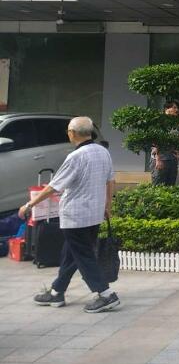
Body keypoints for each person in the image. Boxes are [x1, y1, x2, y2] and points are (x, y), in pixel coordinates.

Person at [18, 117, 119, 313]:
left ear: (72, 133)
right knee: (71, 253)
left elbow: (54, 186)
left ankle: (106, 294)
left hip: (76, 216)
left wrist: (29, 204)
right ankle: (57, 291)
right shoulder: (103, 152)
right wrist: (108, 205)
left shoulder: (76, 156)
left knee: (83, 256)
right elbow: (110, 180)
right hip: (94, 214)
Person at [148, 101, 179, 186]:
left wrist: (176, 152)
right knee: (158, 185)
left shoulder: (176, 124)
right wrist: (158, 159)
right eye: (174, 107)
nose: (177, 110)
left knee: (171, 186)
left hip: (172, 159)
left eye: (177, 108)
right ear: (166, 109)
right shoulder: (159, 122)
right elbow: (154, 142)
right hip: (161, 159)